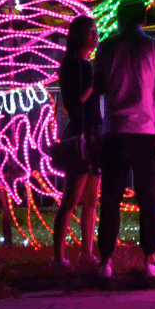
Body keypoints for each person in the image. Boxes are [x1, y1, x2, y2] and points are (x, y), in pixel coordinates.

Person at [91, 0, 155, 278]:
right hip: (146, 133)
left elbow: (98, 87)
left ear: (118, 19)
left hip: (113, 131)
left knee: (110, 198)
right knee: (148, 199)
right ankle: (150, 261)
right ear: (144, 20)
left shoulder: (105, 47)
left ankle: (105, 262)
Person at [50, 15, 101, 271]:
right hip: (80, 133)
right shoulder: (73, 65)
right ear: (79, 36)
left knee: (92, 200)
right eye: (90, 32)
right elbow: (73, 103)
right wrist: (94, 84)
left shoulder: (87, 65)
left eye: (96, 31)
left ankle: (87, 253)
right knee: (71, 198)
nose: (95, 35)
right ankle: (58, 257)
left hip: (94, 133)